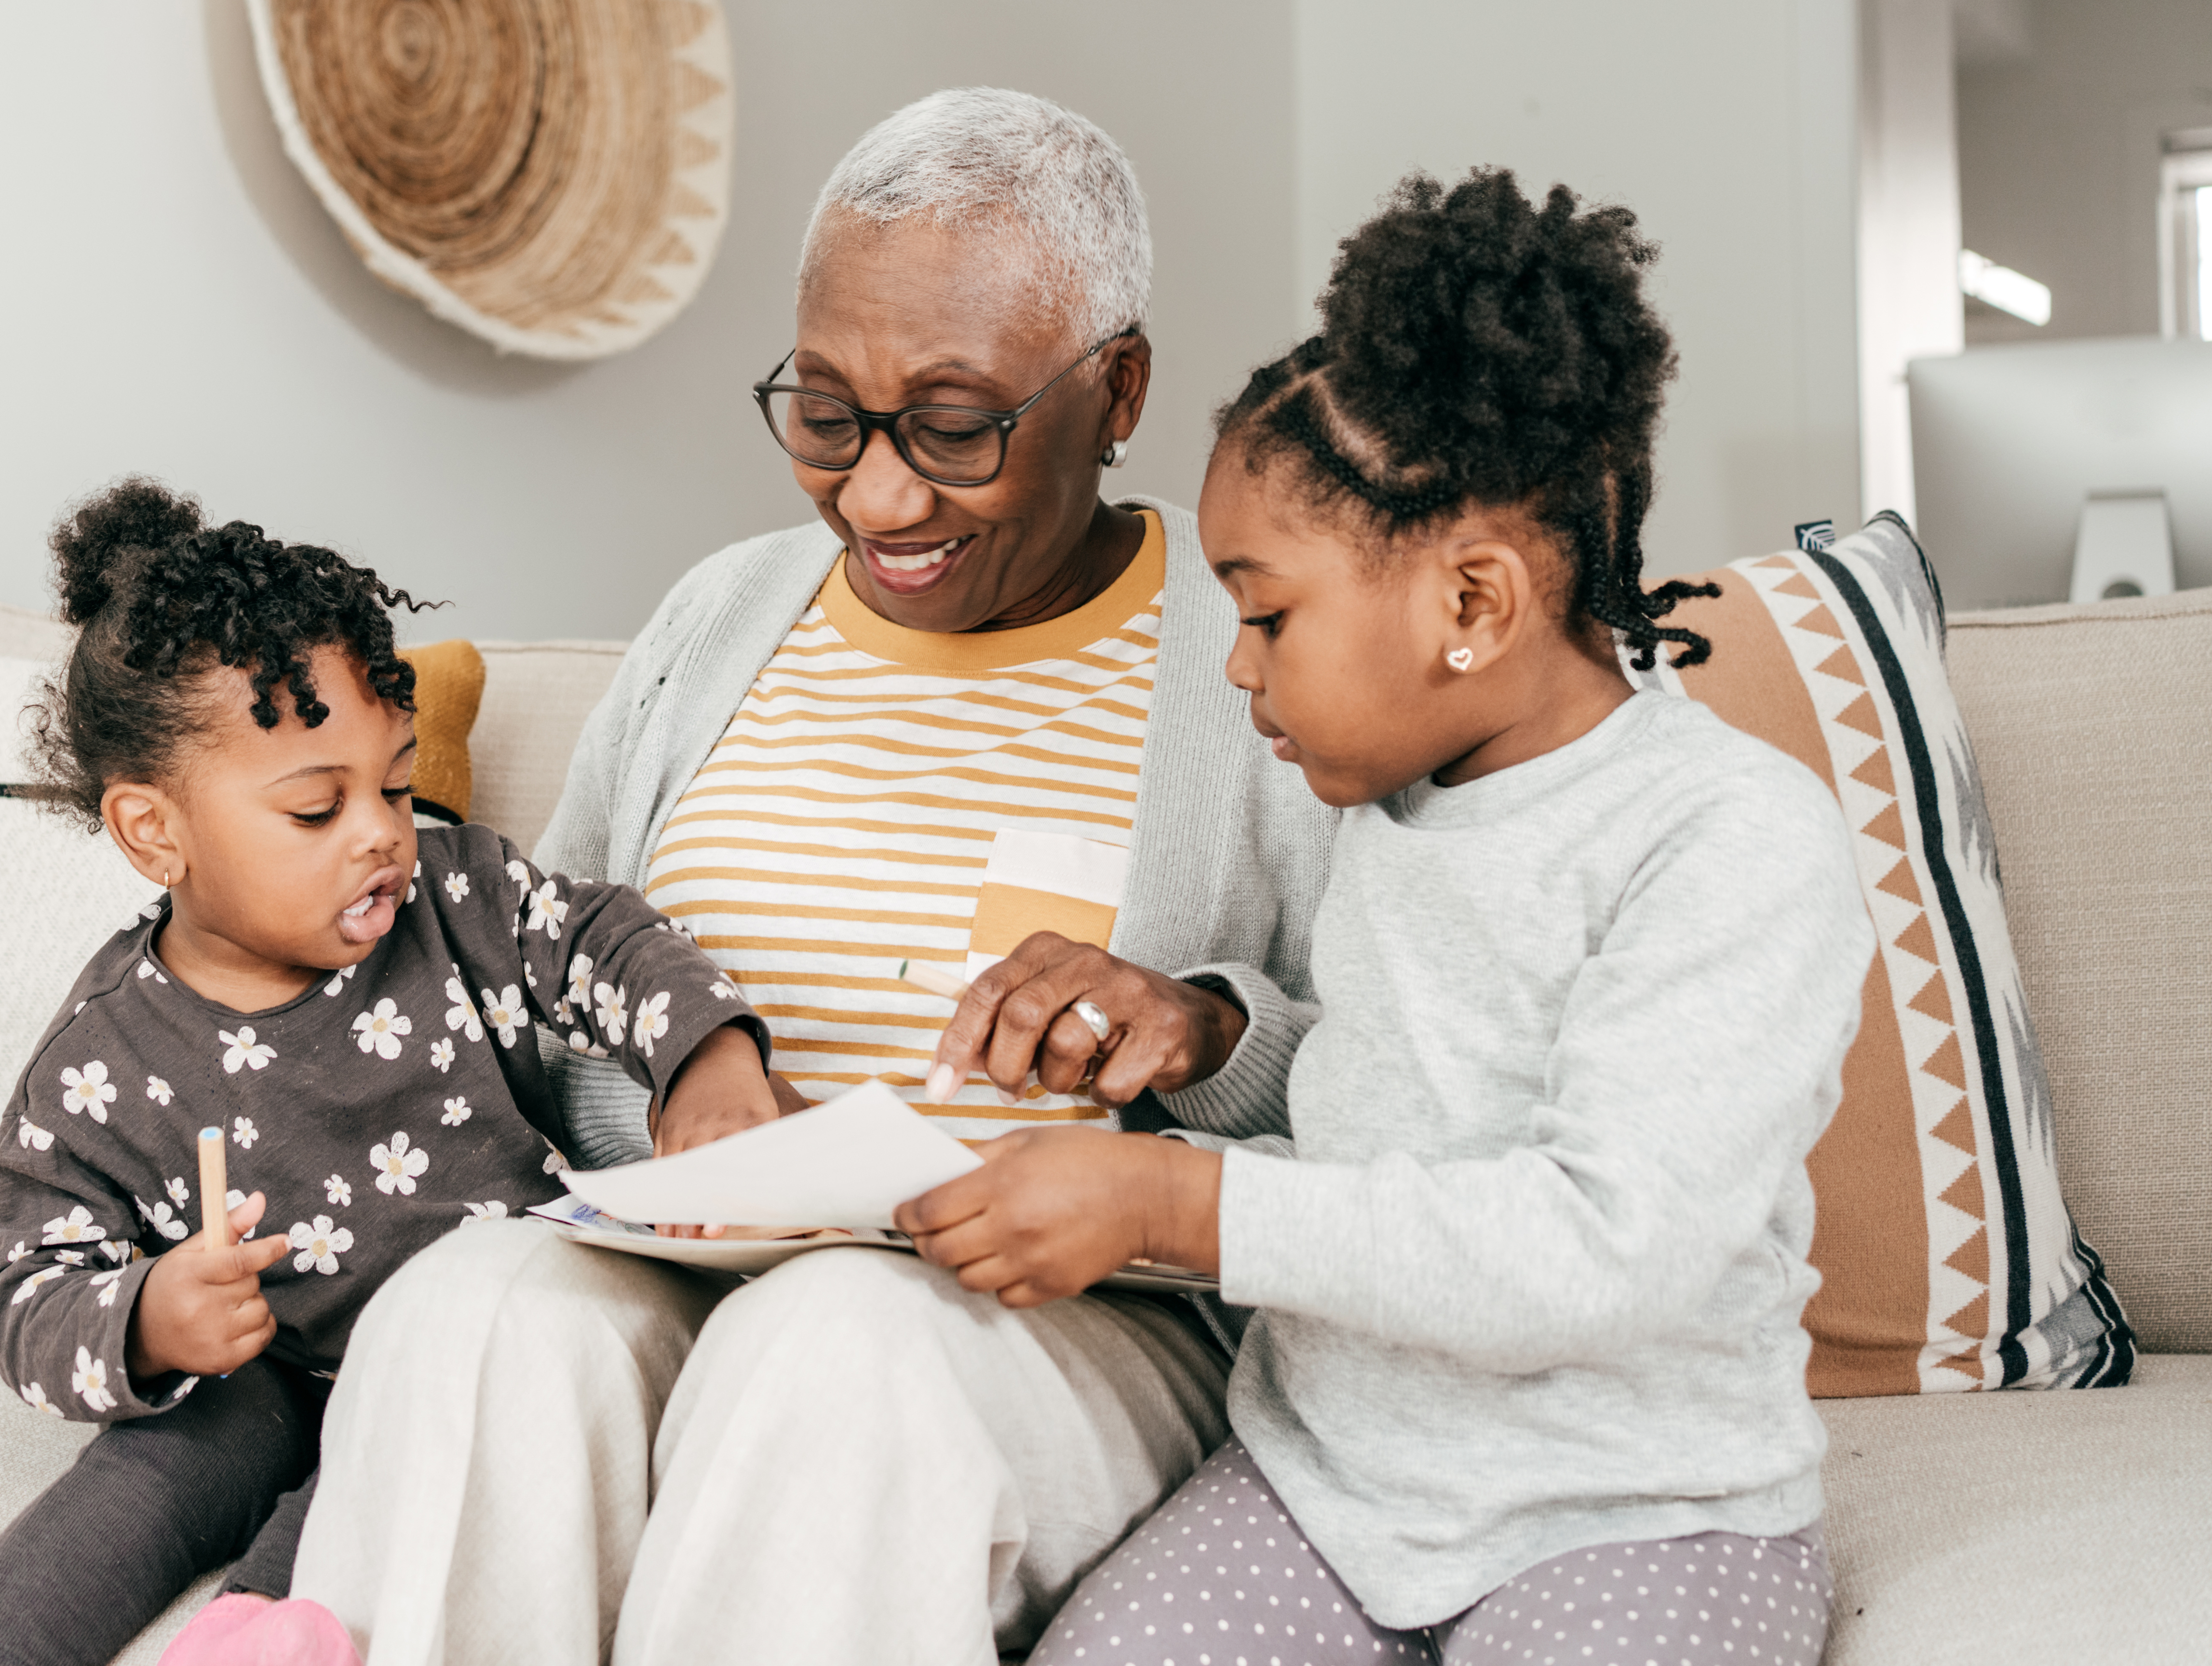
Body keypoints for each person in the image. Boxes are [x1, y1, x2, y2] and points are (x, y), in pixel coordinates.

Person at [287, 90, 1338, 1664]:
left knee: (832, 1342)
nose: (878, 495)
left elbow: (1417, 1083)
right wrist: (665, 1085)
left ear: (1115, 389)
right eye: (827, 414)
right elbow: (530, 969)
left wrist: (1199, 1027)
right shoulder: (720, 616)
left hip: (1070, 1323)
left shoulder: (1260, 640)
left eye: (956, 424)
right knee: (469, 1312)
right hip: (672, 1259)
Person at [1016, 168, 1869, 1666]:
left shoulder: (1729, 837)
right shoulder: (1383, 805)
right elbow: (1391, 1094)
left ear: (1473, 605)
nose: (1238, 669)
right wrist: (1210, 1035)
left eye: (1267, 614)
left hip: (1634, 1516)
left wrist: (1179, 1210)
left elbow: (1600, 1245)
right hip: (1329, 1491)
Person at [0, 480, 779, 1666]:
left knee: (349, 1530)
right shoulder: (103, 1062)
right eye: (318, 808)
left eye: (393, 784)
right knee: (128, 1498)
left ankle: (264, 1636)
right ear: (154, 833)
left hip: (457, 1370)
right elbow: (17, 1281)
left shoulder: (458, 897)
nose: (382, 833)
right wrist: (147, 1319)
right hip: (260, 1376)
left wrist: (706, 1060)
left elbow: (605, 941)